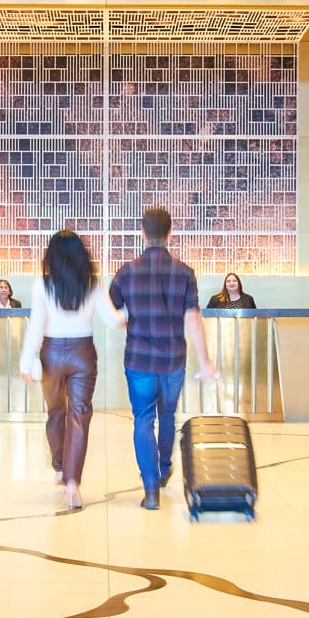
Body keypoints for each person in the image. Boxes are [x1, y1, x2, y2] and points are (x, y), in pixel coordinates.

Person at [107, 207, 217, 510]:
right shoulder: (184, 272)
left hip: (139, 360)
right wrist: (205, 360)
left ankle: (151, 489)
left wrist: (128, 323)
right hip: (173, 361)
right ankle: (165, 468)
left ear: (142, 232)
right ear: (170, 233)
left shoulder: (126, 271)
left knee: (143, 419)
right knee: (167, 416)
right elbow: (193, 317)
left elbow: (112, 310)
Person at [18, 229, 101, 511]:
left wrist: (25, 361)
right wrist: (129, 318)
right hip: (83, 353)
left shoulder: (43, 284)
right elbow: (113, 319)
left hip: (52, 354)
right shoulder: (93, 284)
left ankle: (59, 467)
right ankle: (73, 482)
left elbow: (36, 326)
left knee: (56, 411)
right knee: (80, 416)